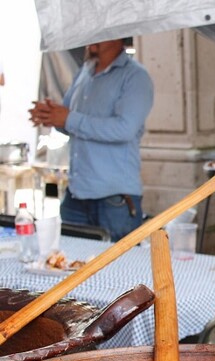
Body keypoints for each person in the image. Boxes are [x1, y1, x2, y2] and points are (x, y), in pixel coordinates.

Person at [28, 39, 154, 241]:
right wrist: (51, 115)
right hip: (76, 194)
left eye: (98, 35)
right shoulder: (85, 72)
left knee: (117, 270)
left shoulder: (135, 76)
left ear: (116, 36)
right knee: (71, 266)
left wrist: (68, 117)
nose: (90, 40)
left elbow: (124, 129)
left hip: (114, 200)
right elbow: (71, 122)